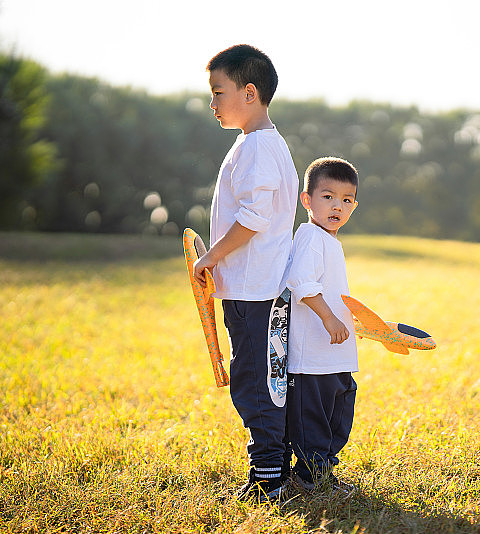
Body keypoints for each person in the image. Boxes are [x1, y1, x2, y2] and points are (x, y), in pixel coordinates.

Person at [193, 44, 298, 503]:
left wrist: (210, 257)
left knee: (256, 381)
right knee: (267, 378)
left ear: (249, 92)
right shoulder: (263, 142)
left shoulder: (256, 146)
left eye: (218, 92)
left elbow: (254, 218)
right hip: (263, 287)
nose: (212, 103)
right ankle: (275, 465)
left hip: (255, 290)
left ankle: (268, 477)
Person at [285, 157, 360, 494]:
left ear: (353, 207)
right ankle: (310, 478)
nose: (337, 206)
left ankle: (322, 472)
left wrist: (347, 317)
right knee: (314, 420)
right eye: (328, 196)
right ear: (307, 200)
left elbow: (329, 288)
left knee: (339, 414)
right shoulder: (311, 236)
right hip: (313, 357)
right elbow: (301, 281)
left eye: (346, 200)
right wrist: (329, 317)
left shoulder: (329, 241)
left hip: (334, 355)